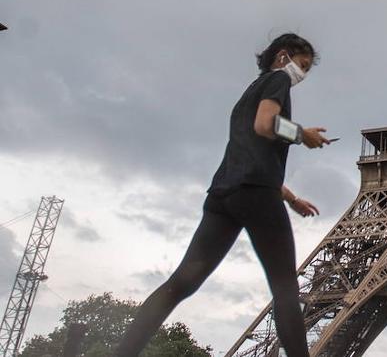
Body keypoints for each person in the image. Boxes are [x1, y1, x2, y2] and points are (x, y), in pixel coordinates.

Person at [114, 33, 332, 357]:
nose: (301, 77)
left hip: (223, 196)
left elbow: (248, 153)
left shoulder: (247, 94)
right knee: (285, 289)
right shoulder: (277, 81)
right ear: (283, 56)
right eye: (301, 66)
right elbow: (265, 125)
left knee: (180, 285)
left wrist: (288, 197)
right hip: (255, 195)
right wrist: (302, 134)